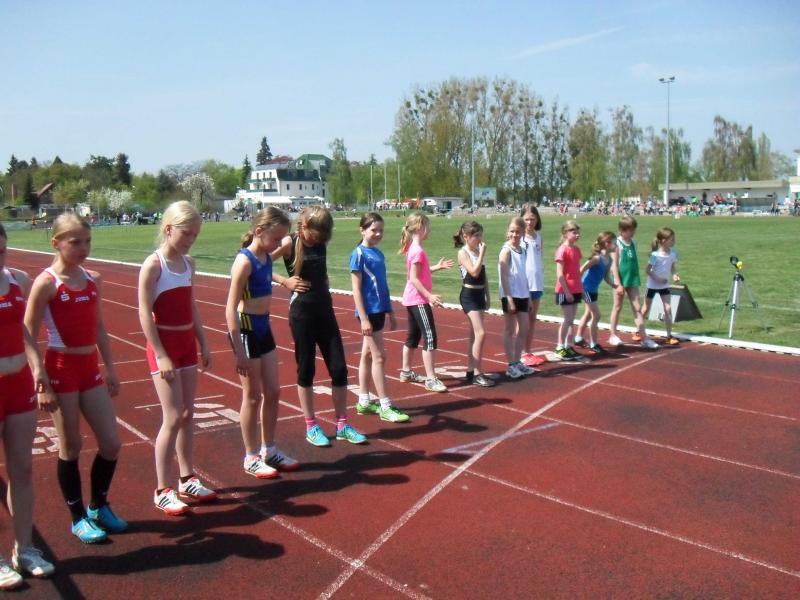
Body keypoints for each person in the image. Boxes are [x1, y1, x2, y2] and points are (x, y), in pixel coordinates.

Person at [24, 214, 126, 543]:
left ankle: (99, 505)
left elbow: (99, 327)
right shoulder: (47, 283)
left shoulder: (93, 278)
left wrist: (110, 367)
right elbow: (26, 332)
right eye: (75, 242)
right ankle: (77, 517)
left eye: (87, 241)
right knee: (71, 445)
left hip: (89, 368)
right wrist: (40, 377)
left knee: (111, 443)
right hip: (61, 368)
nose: (84, 248)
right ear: (56, 243)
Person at [138, 201, 216, 516]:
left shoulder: (188, 264)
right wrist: (160, 354)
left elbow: (191, 305)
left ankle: (187, 478)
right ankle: (162, 489)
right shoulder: (153, 265)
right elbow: (144, 313)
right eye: (186, 234)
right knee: (171, 418)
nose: (190, 240)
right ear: (168, 229)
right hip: (165, 346)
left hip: (185, 345)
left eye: (195, 235)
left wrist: (203, 342)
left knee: (187, 414)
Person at [272, 206, 367, 447]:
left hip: (325, 311)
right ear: (305, 226)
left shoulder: (321, 241)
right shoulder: (289, 243)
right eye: (317, 234)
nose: (319, 240)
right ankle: (311, 425)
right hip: (302, 314)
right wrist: (284, 281)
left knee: (339, 369)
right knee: (306, 370)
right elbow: (256, 262)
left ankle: (342, 425)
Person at [0, 224, 55, 589]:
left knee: (21, 469)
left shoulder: (17, 279)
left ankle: (25, 549)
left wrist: (37, 366)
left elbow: (23, 331)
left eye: (1, 251)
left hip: (18, 384)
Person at [225, 207, 299, 479]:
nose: (279, 244)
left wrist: (283, 280)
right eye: (276, 238)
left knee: (274, 391)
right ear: (259, 232)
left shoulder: (266, 256)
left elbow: (266, 274)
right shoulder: (243, 262)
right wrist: (238, 351)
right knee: (253, 396)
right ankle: (251, 456)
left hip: (263, 327)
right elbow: (230, 308)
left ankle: (270, 449)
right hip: (246, 330)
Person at [350, 213, 410, 421]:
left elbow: (382, 285)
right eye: (373, 230)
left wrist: (390, 310)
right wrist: (364, 318)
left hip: (379, 310)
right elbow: (356, 289)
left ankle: (364, 401)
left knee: (367, 355)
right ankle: (385, 405)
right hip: (368, 312)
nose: (378, 234)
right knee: (379, 357)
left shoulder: (378, 253)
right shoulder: (358, 254)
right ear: (362, 230)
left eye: (381, 230)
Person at [398, 212, 454, 393]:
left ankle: (406, 372)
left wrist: (437, 267)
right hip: (418, 300)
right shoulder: (417, 251)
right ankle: (431, 379)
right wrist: (429, 296)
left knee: (413, 337)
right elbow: (413, 278)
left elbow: (419, 273)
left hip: (412, 299)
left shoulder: (413, 249)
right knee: (429, 337)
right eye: (428, 226)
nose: (429, 230)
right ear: (420, 227)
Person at [454, 221, 495, 387]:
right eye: (476, 235)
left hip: (479, 295)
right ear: (466, 237)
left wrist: (488, 296)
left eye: (480, 235)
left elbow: (483, 276)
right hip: (469, 296)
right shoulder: (463, 253)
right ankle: (478, 373)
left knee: (474, 335)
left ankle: (470, 370)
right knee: (481, 333)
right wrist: (482, 254)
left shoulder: (477, 251)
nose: (480, 239)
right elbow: (474, 272)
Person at [607, 216, 659, 349]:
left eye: (633, 229)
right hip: (620, 278)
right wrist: (618, 284)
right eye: (630, 230)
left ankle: (644, 338)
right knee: (617, 306)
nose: (633, 232)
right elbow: (614, 265)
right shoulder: (617, 244)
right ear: (622, 230)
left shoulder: (634, 242)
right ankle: (613, 335)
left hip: (632, 278)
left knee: (637, 308)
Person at [498, 217, 537, 379]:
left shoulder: (523, 250)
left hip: (523, 294)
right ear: (508, 232)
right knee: (509, 329)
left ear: (522, 233)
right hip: (510, 294)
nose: (515, 234)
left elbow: (523, 274)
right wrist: (509, 298)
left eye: (518, 232)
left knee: (524, 328)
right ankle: (511, 364)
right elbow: (503, 276)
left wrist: (528, 296)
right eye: (512, 231)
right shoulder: (506, 250)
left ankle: (517, 360)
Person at [574, 231, 617, 353]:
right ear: (607, 244)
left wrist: (613, 284)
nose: (616, 246)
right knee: (596, 315)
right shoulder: (597, 259)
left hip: (593, 290)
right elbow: (581, 269)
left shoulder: (609, 260)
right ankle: (594, 344)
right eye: (614, 243)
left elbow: (606, 276)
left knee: (588, 314)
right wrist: (579, 286)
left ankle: (578, 338)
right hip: (586, 289)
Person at [553, 220, 587, 360]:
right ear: (565, 233)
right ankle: (560, 347)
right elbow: (560, 274)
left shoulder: (576, 250)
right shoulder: (562, 250)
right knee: (567, 319)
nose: (577, 235)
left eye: (578, 232)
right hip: (565, 290)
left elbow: (576, 272)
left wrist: (581, 289)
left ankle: (569, 346)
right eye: (574, 232)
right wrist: (566, 291)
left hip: (576, 289)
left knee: (571, 320)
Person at [641, 227, 681, 345]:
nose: (673, 241)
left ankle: (669, 335)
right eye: (671, 239)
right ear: (663, 240)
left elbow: (672, 267)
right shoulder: (655, 255)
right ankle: (638, 330)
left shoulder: (673, 253)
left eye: (673, 239)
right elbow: (648, 270)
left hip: (664, 286)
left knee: (668, 309)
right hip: (652, 286)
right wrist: (658, 279)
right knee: (645, 309)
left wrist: (675, 275)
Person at [519, 204, 546, 367]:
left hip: (537, 283)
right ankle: (519, 352)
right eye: (527, 219)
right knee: (522, 320)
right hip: (523, 284)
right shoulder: (520, 238)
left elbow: (539, 259)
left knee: (532, 319)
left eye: (533, 219)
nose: (530, 222)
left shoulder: (538, 237)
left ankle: (527, 351)